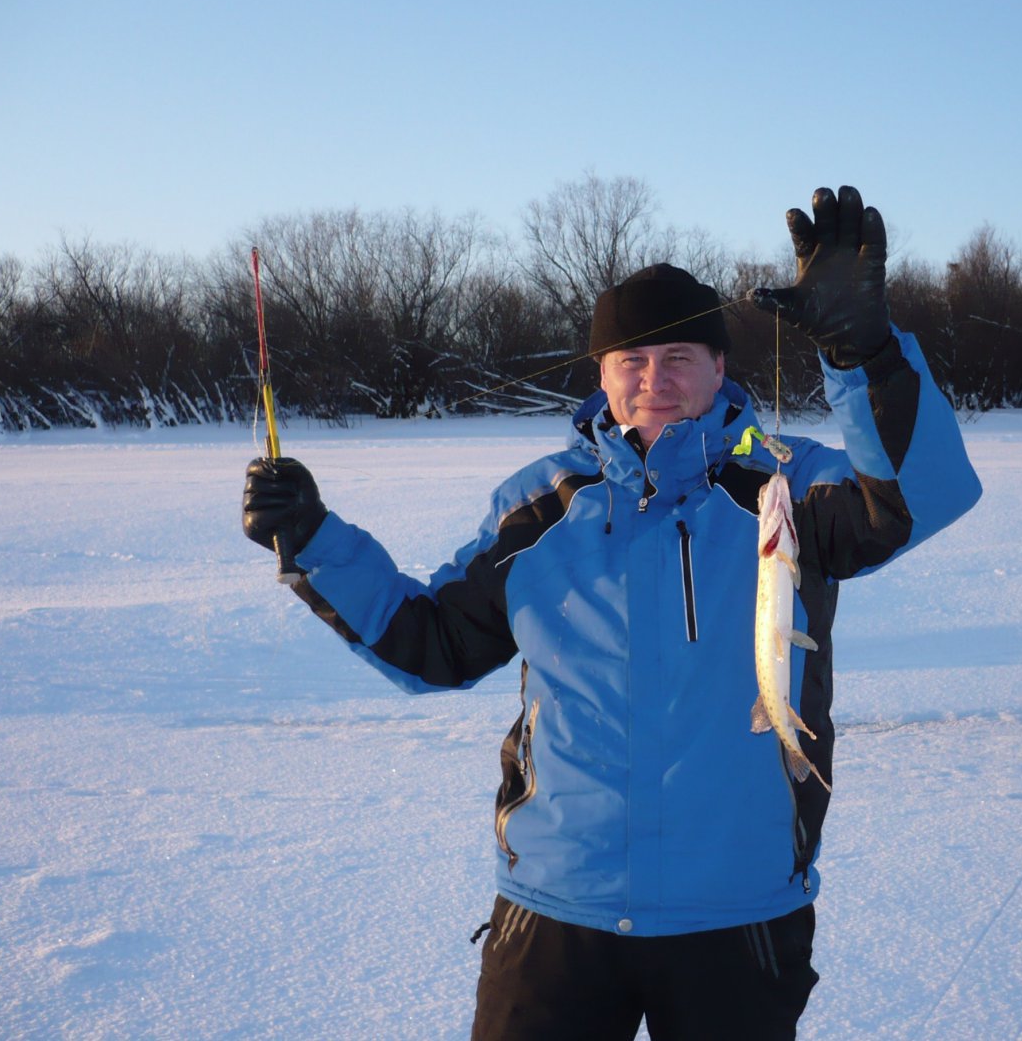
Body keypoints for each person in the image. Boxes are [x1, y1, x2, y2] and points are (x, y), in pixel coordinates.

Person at [242, 186, 982, 1039]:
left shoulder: (788, 483)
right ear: (600, 374)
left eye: (679, 357)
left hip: (736, 915)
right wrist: (316, 542)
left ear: (718, 368)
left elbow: (923, 497)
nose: (653, 380)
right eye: (630, 360)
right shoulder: (542, 505)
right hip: (556, 912)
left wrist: (866, 355)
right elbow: (433, 644)